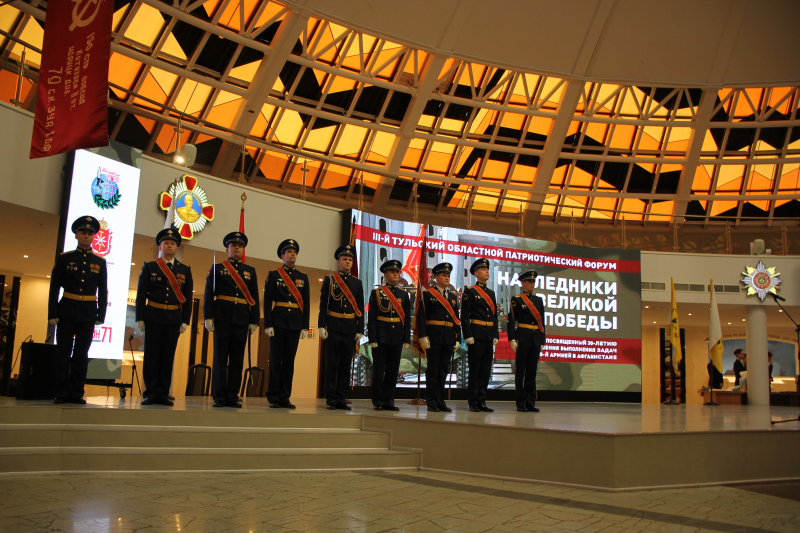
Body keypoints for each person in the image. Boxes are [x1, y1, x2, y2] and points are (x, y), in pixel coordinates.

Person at [48, 216, 108, 405]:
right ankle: (61, 392)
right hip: (67, 309)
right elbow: (55, 287)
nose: (86, 236)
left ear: (93, 237)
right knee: (63, 353)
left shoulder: (99, 261)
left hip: (88, 312)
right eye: (83, 232)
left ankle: (76, 393)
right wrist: (53, 312)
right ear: (76, 234)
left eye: (90, 233)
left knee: (81, 355)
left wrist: (101, 314)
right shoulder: (65, 258)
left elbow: (103, 289)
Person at [135, 228, 193, 406]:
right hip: (153, 315)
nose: (169, 245)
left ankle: (163, 392)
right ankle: (151, 392)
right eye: (166, 243)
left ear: (177, 248)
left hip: (173, 318)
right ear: (160, 246)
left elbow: (188, 297)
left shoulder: (184, 269)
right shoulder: (150, 267)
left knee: (167, 357)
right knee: (152, 356)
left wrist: (185, 320)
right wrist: (140, 317)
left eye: (173, 243)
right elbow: (141, 294)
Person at [203, 232, 260, 408]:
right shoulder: (217, 268)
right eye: (234, 245)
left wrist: (254, 320)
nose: (237, 248)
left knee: (237, 359)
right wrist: (207, 317)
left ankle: (233, 394)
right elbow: (208, 295)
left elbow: (254, 297)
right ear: (227, 248)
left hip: (241, 320)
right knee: (220, 358)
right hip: (222, 318)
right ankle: (219, 395)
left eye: (240, 246)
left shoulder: (250, 271)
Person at [263, 239, 310, 409]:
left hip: (295, 323)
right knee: (276, 361)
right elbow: (267, 302)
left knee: (289, 362)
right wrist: (268, 324)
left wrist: (305, 326)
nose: (292, 254)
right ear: (282, 255)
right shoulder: (274, 275)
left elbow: (306, 303)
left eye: (294, 252)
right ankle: (273, 396)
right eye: (289, 252)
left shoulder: (303, 277)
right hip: (278, 321)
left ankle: (285, 396)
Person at [318, 245, 364, 410]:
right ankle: (331, 399)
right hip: (333, 327)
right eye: (345, 259)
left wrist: (360, 330)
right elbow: (324, 304)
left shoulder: (357, 283)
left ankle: (342, 398)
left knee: (345, 365)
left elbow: (359, 307)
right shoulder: (330, 280)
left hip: (350, 328)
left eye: (350, 260)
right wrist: (321, 325)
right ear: (338, 262)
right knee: (331, 364)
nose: (348, 262)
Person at [367, 260, 411, 411]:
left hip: (397, 336)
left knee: (393, 371)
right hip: (381, 336)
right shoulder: (377, 293)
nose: (395, 274)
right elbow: (372, 318)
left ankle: (389, 400)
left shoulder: (404, 294)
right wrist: (372, 338)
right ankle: (378, 400)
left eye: (397, 271)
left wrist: (406, 338)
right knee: (379, 370)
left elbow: (407, 319)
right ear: (385, 274)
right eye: (392, 272)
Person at [417, 262, 461, 413]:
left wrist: (458, 338)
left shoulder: (453, 297)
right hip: (434, 336)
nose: (447, 277)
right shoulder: (428, 294)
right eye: (443, 275)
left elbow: (456, 319)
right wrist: (423, 335)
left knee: (443, 371)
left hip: (448, 337)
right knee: (433, 371)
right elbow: (422, 317)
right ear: (436, 277)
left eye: (448, 275)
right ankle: (431, 401)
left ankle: (440, 400)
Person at [461, 258, 499, 413]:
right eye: (483, 269)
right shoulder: (470, 292)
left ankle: (482, 400)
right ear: (476, 273)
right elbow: (464, 315)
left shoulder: (491, 293)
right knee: (475, 369)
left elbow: (494, 315)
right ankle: (473, 401)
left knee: (485, 370)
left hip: (488, 335)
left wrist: (495, 333)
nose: (487, 271)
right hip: (476, 335)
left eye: (487, 269)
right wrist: (468, 334)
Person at [507, 270, 546, 412]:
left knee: (532, 371)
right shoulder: (517, 299)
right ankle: (520, 402)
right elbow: (511, 321)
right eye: (529, 281)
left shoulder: (539, 300)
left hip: (535, 338)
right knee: (521, 371)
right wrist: (512, 338)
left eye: (533, 281)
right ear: (522, 283)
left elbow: (542, 322)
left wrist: (542, 340)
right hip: (523, 337)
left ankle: (530, 402)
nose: (532, 284)